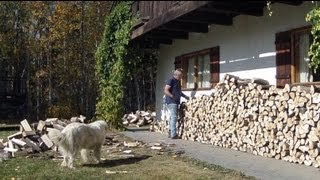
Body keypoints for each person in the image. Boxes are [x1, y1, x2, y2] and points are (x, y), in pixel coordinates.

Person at [164, 68, 189, 139]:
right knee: (174, 117)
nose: (181, 77)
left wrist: (185, 96)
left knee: (172, 117)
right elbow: (166, 90)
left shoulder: (178, 82)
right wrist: (172, 96)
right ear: (177, 75)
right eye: (180, 76)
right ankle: (173, 134)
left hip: (175, 102)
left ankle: (170, 132)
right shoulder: (171, 80)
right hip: (172, 102)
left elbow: (179, 92)